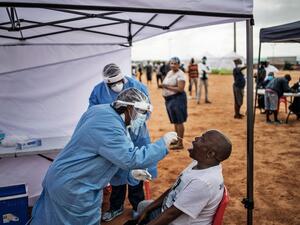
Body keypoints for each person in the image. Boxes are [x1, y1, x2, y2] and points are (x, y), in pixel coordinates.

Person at [29, 88, 178, 225]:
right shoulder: (109, 126)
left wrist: (129, 174)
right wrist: (162, 144)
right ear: (127, 107)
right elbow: (131, 158)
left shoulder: (100, 111)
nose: (143, 117)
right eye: (140, 111)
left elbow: (107, 155)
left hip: (63, 177)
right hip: (75, 187)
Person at [88, 63, 157, 221]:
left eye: (119, 82)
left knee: (136, 171)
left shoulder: (137, 86)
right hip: (115, 137)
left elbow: (146, 110)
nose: (116, 86)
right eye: (112, 84)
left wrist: (133, 123)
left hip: (137, 135)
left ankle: (138, 207)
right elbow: (93, 112)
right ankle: (116, 207)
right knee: (116, 171)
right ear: (107, 82)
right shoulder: (98, 91)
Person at [126, 129, 232, 225]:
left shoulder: (202, 182)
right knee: (143, 206)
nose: (196, 138)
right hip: (169, 211)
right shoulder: (199, 164)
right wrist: (147, 210)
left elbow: (171, 215)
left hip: (174, 220)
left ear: (210, 153)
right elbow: (174, 189)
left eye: (202, 139)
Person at [159, 57, 187, 150]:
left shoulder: (180, 74)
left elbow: (180, 89)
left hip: (177, 99)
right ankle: (177, 140)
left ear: (179, 65)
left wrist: (166, 86)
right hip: (169, 100)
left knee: (179, 121)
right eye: (171, 63)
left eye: (175, 63)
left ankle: (180, 143)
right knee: (175, 121)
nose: (173, 65)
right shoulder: (170, 72)